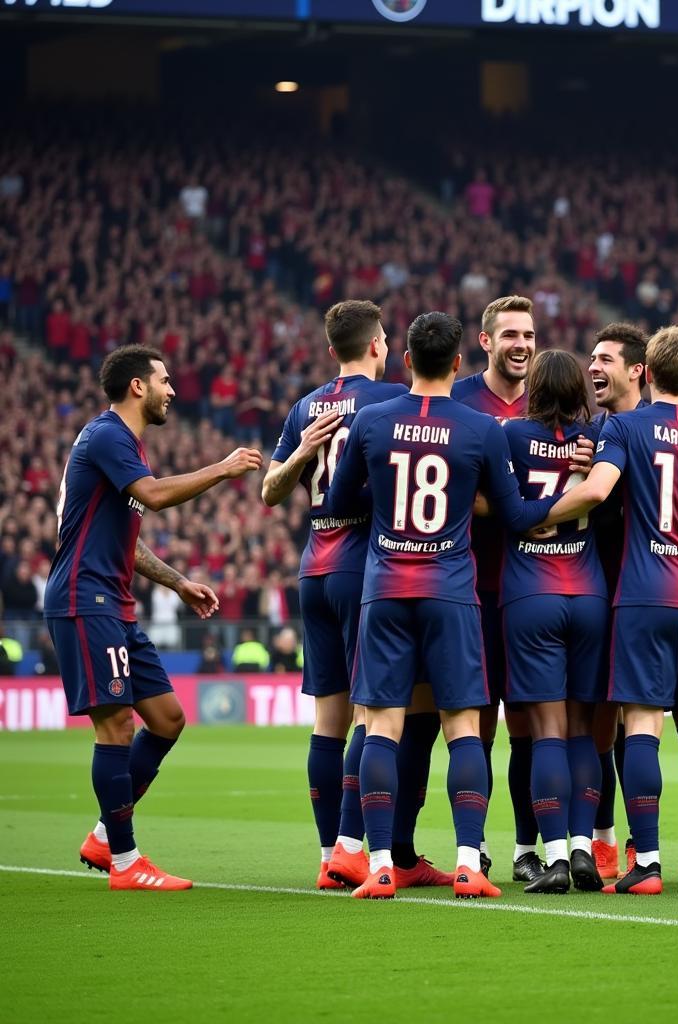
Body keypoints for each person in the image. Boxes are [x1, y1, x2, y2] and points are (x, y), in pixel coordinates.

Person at [326, 311, 558, 899]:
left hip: (385, 590)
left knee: (382, 727)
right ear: (459, 363)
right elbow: (515, 516)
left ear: (406, 360)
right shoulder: (481, 429)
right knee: (463, 729)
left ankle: (379, 866)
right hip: (452, 593)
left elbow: (336, 498)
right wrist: (573, 494)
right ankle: (467, 863)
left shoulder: (374, 421)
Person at [539, 325, 678, 895]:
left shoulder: (626, 427)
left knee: (641, 725)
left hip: (645, 594)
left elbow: (593, 493)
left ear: (649, 374)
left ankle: (648, 864)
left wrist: (532, 516)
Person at [43, 344, 262, 892]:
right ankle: (124, 860)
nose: (171, 389)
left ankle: (103, 833)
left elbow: (127, 544)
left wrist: (179, 582)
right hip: (84, 598)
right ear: (137, 386)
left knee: (166, 718)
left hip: (113, 602)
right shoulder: (109, 435)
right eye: (164, 380)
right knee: (116, 724)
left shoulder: (124, 444)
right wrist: (224, 467)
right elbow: (156, 497)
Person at [263, 299, 449, 892]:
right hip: (365, 570)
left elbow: (270, 491)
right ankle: (351, 845)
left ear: (330, 350)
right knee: (377, 713)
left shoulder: (305, 407)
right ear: (377, 346)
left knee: (328, 720)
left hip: (312, 566)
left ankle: (328, 855)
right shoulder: (390, 404)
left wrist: (298, 453)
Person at [453, 295, 583, 882]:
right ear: (486, 342)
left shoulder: (557, 414)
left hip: (533, 587)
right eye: (510, 335)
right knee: (477, 722)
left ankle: (528, 847)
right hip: (474, 587)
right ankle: (472, 845)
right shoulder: (460, 402)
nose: (522, 345)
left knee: (531, 724)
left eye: (529, 336)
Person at [500, 350, 606, 893]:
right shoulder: (597, 440)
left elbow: (494, 506)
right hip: (590, 592)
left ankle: (558, 859)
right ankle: (588, 849)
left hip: (530, 592)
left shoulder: (511, 435)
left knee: (545, 732)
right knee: (583, 731)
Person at [586, 322, 648, 880]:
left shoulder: (652, 431)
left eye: (606, 359)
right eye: (591, 358)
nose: (594, 368)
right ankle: (605, 840)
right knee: (605, 722)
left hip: (652, 594)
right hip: (601, 591)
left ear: (638, 371)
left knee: (656, 723)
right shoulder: (593, 433)